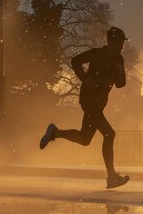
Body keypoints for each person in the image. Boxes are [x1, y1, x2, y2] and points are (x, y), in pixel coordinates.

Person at [39, 26, 130, 189]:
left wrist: (119, 70)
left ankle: (54, 132)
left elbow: (121, 84)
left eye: (122, 44)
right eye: (118, 43)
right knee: (109, 134)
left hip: (99, 104)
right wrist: (85, 78)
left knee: (85, 139)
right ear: (110, 42)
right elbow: (75, 61)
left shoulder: (118, 60)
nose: (121, 47)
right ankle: (111, 177)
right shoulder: (97, 54)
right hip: (89, 101)